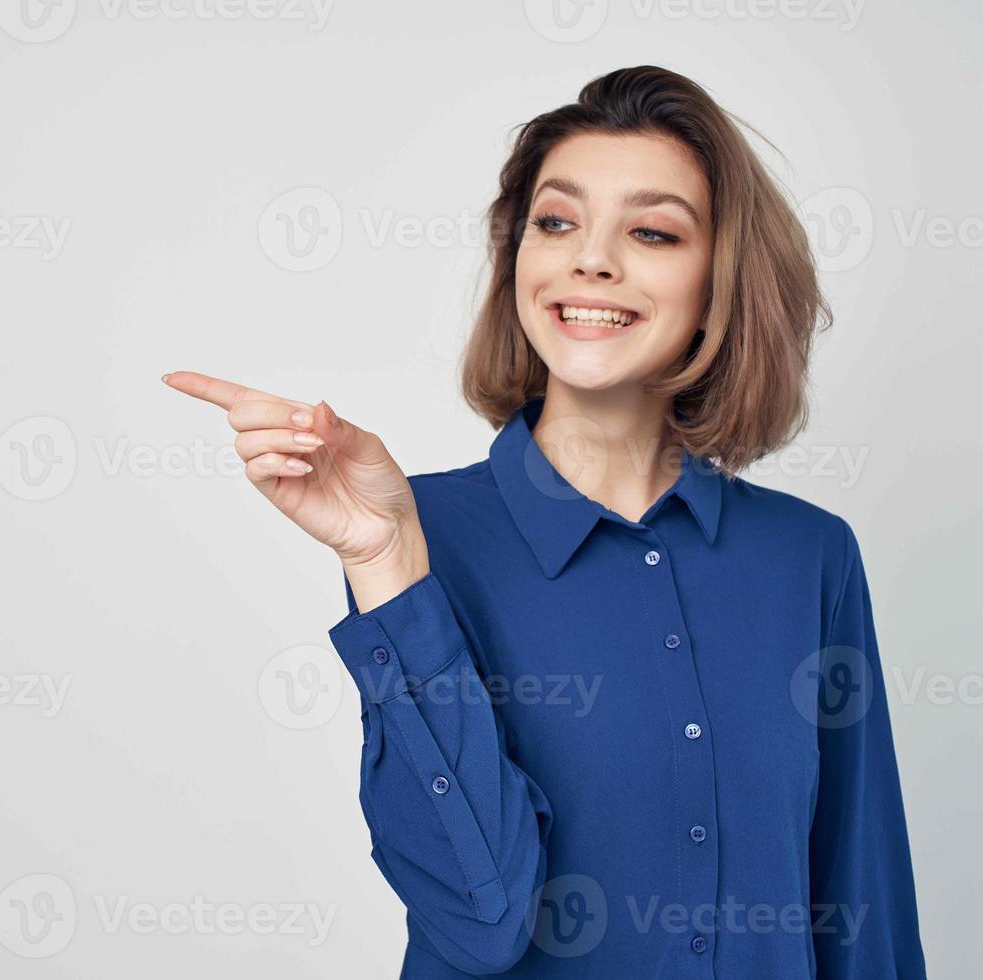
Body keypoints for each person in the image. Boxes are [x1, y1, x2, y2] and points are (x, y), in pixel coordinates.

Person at [164, 65, 926, 979]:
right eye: (557, 222)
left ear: (720, 281)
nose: (589, 260)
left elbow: (861, 908)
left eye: (652, 231)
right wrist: (384, 560)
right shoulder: (416, 533)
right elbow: (482, 921)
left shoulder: (809, 558)